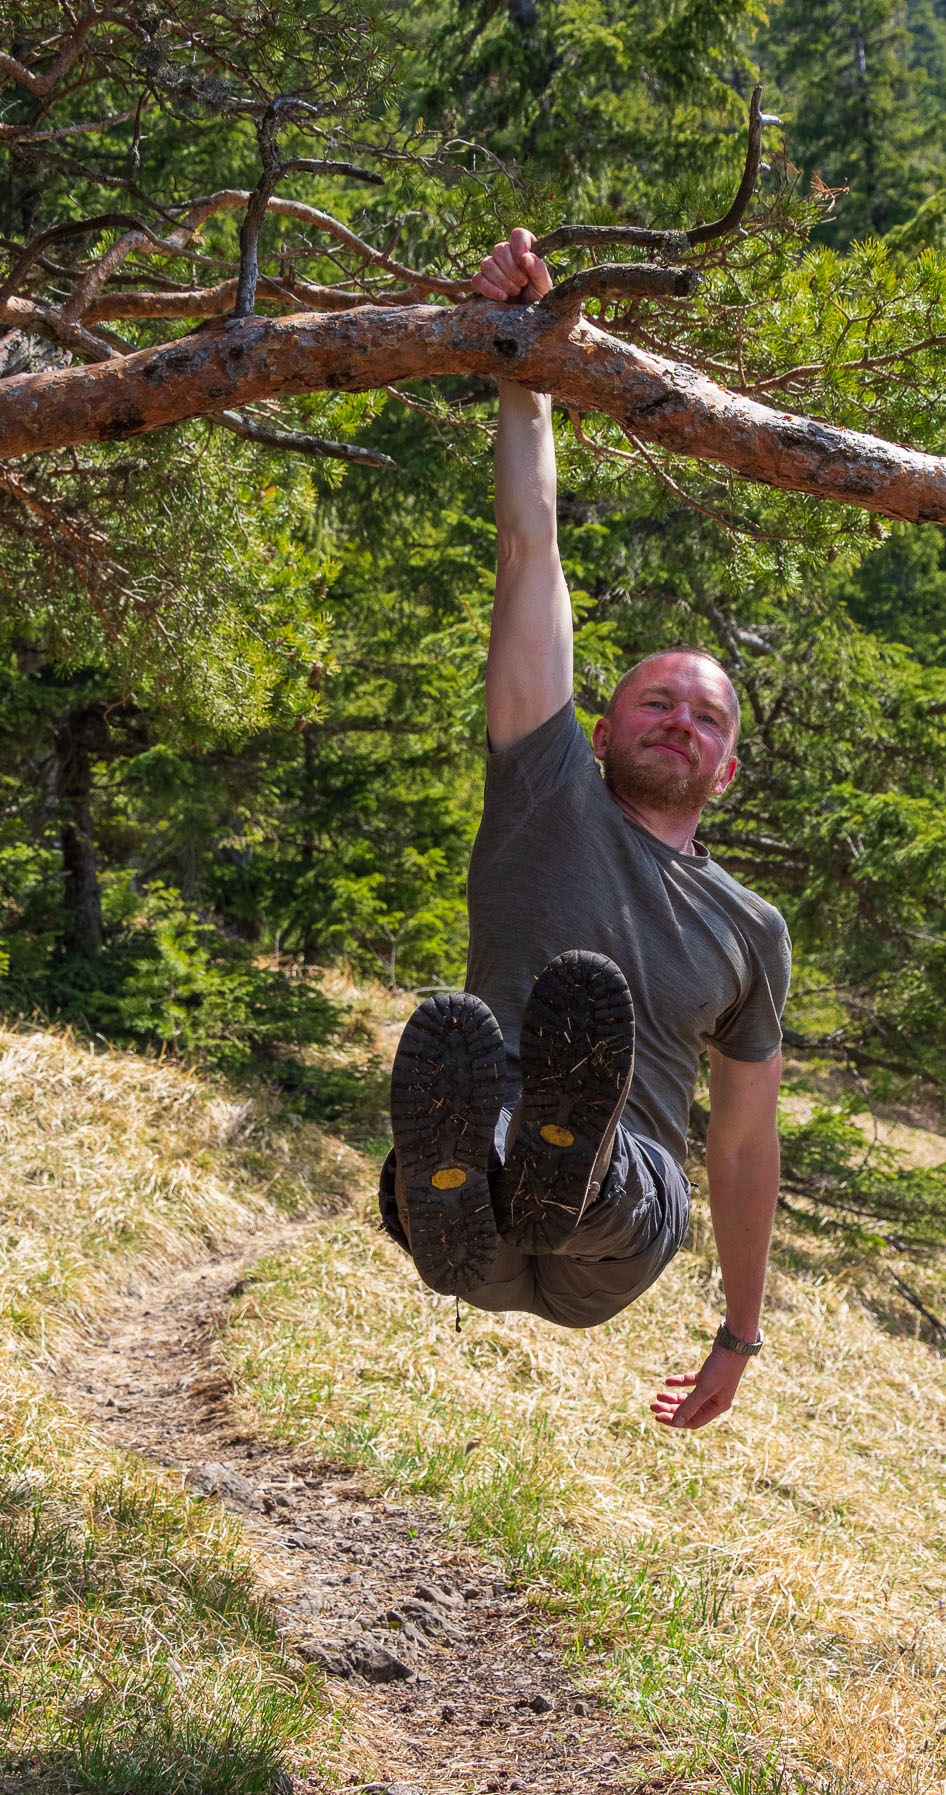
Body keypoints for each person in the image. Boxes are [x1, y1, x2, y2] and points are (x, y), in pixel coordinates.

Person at [378, 228, 791, 1433]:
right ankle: (475, 1169)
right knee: (465, 1180)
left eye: (705, 717)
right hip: (478, 1233)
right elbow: (531, 549)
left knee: (596, 1171)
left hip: (627, 1229)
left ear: (727, 768)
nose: (678, 721)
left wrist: (739, 1332)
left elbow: (742, 1147)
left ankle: (557, 1151)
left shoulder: (750, 927)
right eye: (654, 699)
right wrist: (526, 367)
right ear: (598, 723)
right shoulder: (544, 781)